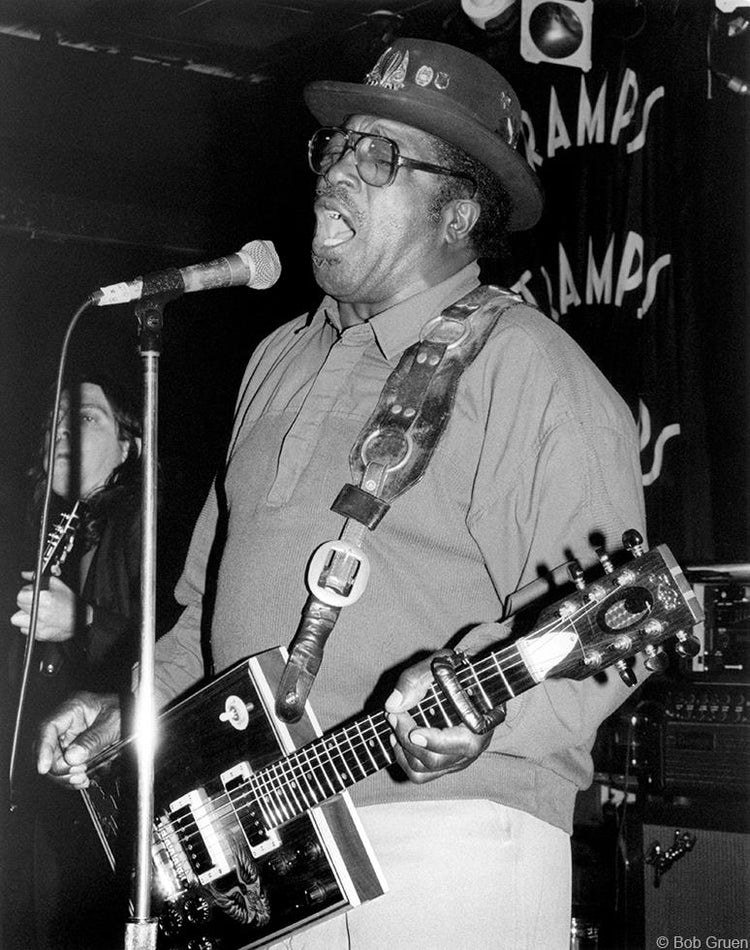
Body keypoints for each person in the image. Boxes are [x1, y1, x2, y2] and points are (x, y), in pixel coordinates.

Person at [35, 39, 647, 950]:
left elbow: (610, 629)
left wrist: (481, 715)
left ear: (458, 211)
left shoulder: (532, 368)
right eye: (337, 146)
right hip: (267, 856)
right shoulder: (276, 357)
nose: (337, 171)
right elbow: (210, 619)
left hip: (447, 836)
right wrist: (137, 717)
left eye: (381, 155)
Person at [6, 374, 143, 950]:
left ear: (130, 446)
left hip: (110, 801)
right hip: (43, 798)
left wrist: (84, 621)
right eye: (52, 424)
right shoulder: (40, 531)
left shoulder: (146, 522)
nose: (62, 431)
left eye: (85, 417)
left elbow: (178, 650)